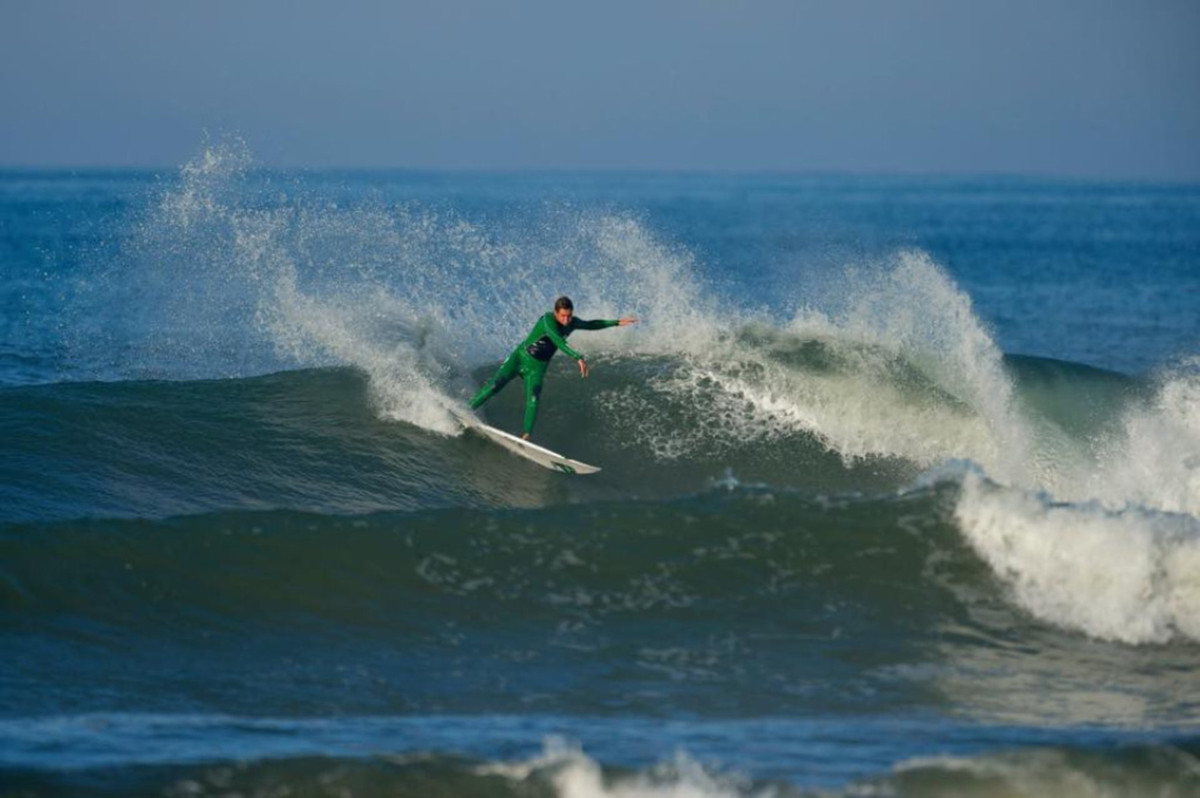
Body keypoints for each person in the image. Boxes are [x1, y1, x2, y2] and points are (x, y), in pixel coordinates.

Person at [469, 296, 637, 440]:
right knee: (494, 386)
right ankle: (467, 409)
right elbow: (557, 340)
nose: (566, 320)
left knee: (533, 399)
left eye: (569, 316)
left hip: (537, 367)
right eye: (563, 316)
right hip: (520, 358)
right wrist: (577, 357)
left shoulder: (572, 323)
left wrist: (616, 322)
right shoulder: (547, 320)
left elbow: (591, 324)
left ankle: (526, 435)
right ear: (556, 313)